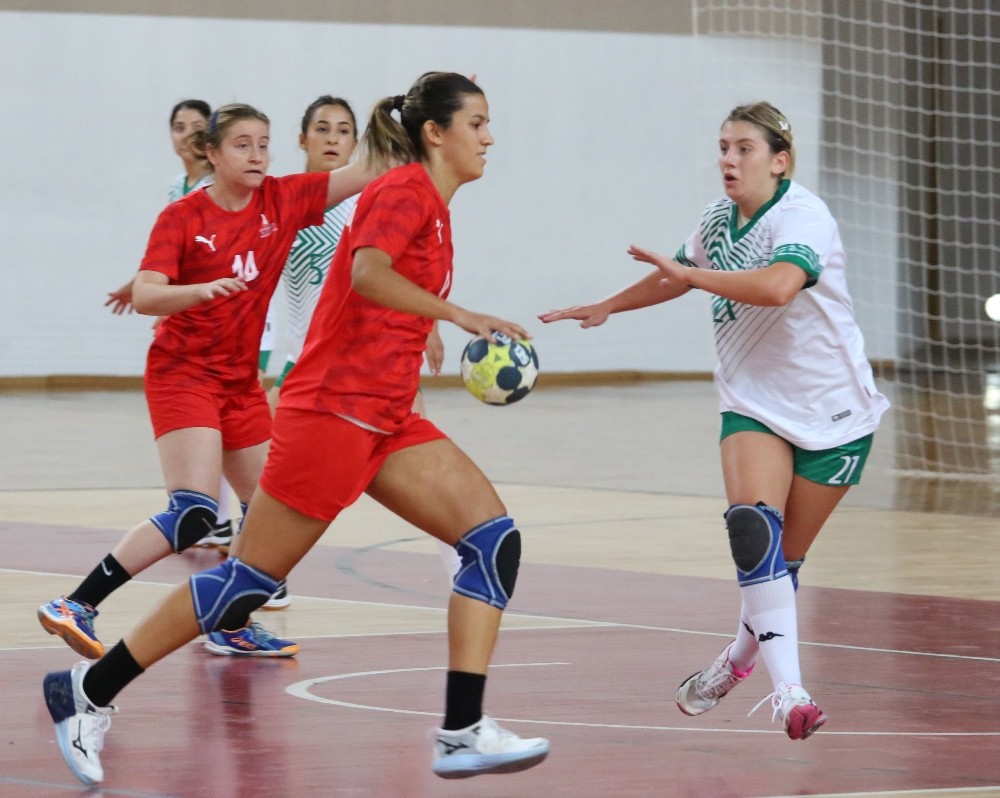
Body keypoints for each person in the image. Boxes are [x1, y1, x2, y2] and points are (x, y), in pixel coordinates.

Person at [43, 72, 550, 786]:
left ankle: (462, 731)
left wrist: (432, 324)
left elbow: (383, 292)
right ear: (436, 134)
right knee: (245, 583)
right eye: (478, 123)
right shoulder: (403, 192)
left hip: (386, 417)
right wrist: (457, 314)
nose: (489, 137)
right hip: (333, 416)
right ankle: (87, 691)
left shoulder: (434, 207)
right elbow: (368, 272)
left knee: (493, 542)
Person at [540, 101, 889, 740]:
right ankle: (791, 694)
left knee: (782, 565)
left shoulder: (802, 215)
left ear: (780, 161)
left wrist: (695, 275)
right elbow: (676, 277)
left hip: (834, 411)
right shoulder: (715, 220)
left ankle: (736, 661)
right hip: (752, 402)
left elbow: (780, 285)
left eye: (744, 148)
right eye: (723, 147)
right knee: (753, 533)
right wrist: (609, 305)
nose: (728, 159)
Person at [38, 101, 379, 662]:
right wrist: (197, 291)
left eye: (264, 144)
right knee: (194, 511)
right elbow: (146, 294)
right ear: (213, 153)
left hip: (239, 383)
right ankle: (76, 603)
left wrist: (424, 112)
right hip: (183, 374)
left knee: (270, 515)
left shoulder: (284, 199)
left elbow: (368, 169)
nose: (257, 155)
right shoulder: (184, 217)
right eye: (242, 145)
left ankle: (230, 623)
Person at [267, 93, 460, 581]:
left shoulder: (373, 198)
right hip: (302, 368)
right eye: (323, 129)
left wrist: (432, 326)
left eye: (344, 131)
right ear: (302, 139)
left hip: (373, 366)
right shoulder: (289, 203)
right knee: (269, 486)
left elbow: (412, 263)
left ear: (358, 142)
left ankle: (463, 565)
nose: (333, 139)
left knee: (428, 477)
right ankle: (257, 581)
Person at [104, 99, 241, 553]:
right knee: (213, 427)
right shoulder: (177, 190)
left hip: (234, 322)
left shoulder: (218, 188)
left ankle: (226, 520)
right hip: (195, 319)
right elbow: (172, 255)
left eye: (197, 126)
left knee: (231, 425)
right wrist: (137, 287)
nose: (187, 134)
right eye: (178, 126)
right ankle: (218, 518)